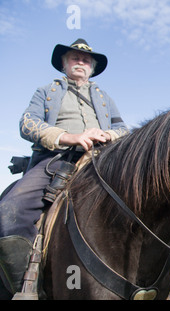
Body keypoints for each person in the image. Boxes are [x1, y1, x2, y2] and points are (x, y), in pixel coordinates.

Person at [0, 39, 129, 295]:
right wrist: (69, 137)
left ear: (92, 67)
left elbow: (122, 129)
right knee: (8, 212)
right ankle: (23, 287)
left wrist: (106, 136)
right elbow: (28, 124)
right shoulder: (46, 91)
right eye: (74, 57)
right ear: (64, 63)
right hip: (56, 160)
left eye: (86, 60)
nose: (80, 62)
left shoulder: (104, 98)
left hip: (101, 159)